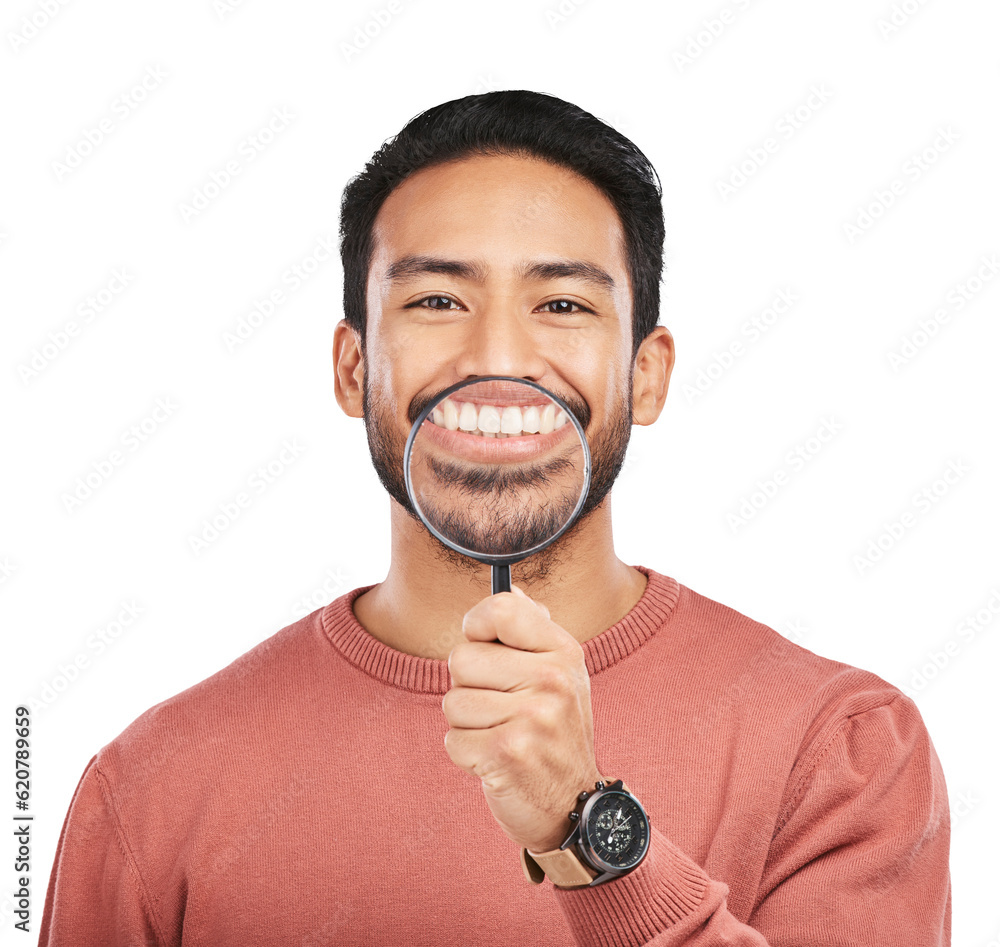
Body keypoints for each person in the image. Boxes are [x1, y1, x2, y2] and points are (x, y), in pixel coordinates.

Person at [39, 90, 951, 946]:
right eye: (437, 300)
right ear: (353, 368)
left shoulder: (843, 749)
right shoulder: (151, 783)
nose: (500, 355)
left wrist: (588, 830)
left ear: (648, 373)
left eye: (562, 303)